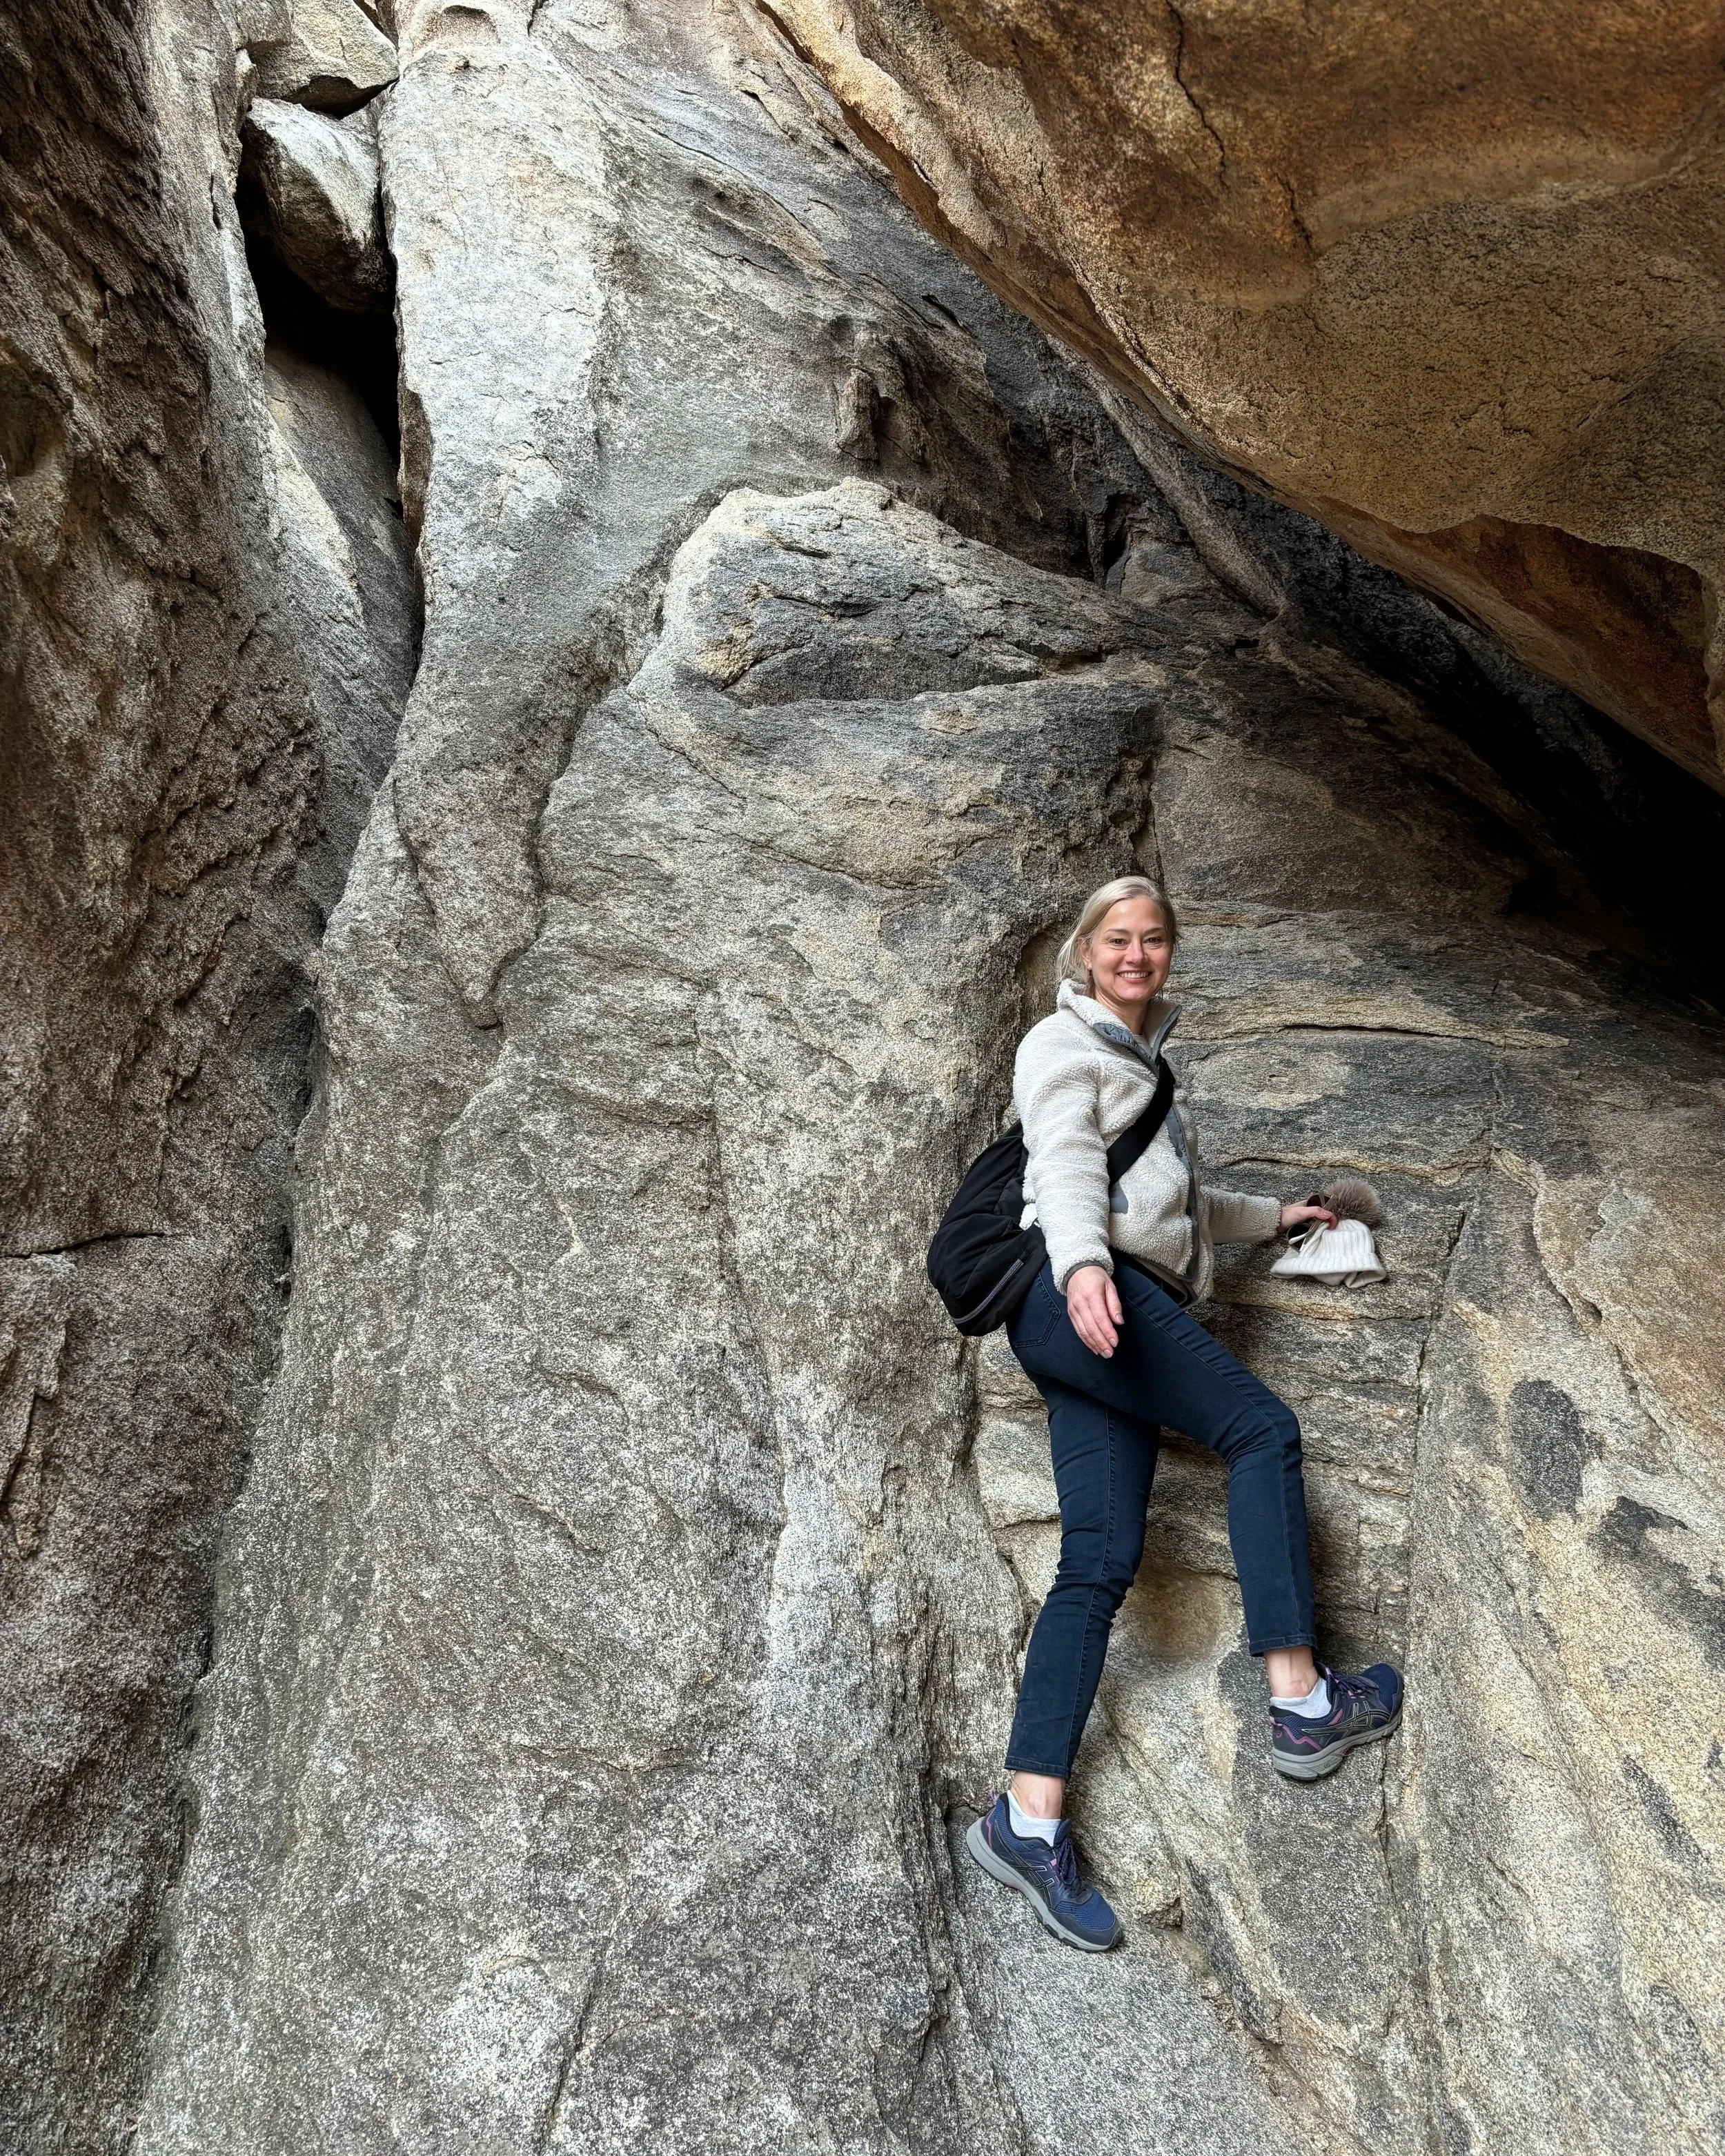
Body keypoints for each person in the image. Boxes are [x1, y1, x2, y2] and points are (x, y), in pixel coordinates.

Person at [965, 874, 1403, 1952]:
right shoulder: (1059, 1046)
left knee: (1098, 1561)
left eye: (1154, 938)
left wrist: (1280, 1219)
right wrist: (1078, 1270)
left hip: (1103, 1299)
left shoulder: (1144, 1068)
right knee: (1263, 1431)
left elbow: (1177, 1209)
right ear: (1085, 950)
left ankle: (1026, 1820)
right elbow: (1065, 1160)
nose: (1136, 953)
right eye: (1117, 938)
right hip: (1088, 1293)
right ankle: (1302, 1703)